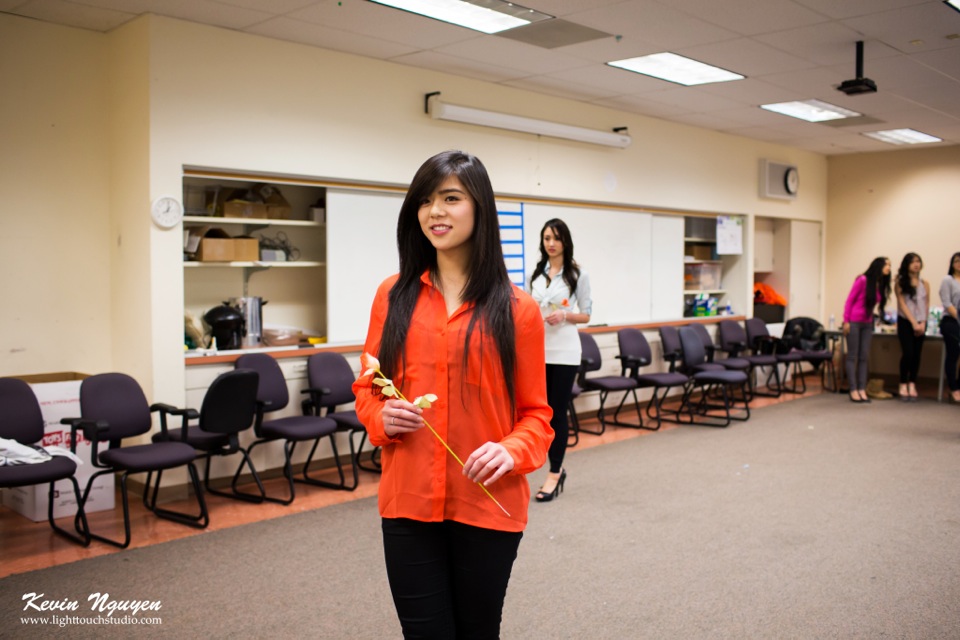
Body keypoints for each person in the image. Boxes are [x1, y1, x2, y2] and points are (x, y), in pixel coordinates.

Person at [351, 150, 554, 638]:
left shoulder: (517, 309)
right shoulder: (393, 294)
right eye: (425, 200)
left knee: (477, 632)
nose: (434, 211)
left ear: (479, 207)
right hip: (408, 501)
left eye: (450, 198)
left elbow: (537, 416)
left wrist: (510, 450)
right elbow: (367, 385)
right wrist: (382, 418)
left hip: (487, 504)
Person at [528, 218, 591, 502]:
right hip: (539, 350)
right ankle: (546, 463)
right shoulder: (537, 275)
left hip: (565, 351)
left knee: (557, 411)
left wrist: (564, 315)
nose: (550, 243)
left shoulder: (578, 275)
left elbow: (587, 314)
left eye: (555, 238)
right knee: (540, 411)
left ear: (565, 241)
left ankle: (555, 472)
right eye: (546, 238)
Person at [842, 256, 891, 403]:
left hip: (868, 323)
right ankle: (853, 389)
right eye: (887, 264)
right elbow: (849, 300)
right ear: (878, 266)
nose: (889, 267)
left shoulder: (879, 284)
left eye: (890, 265)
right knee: (852, 356)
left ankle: (862, 388)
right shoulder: (862, 280)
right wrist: (846, 321)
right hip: (854, 322)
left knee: (864, 357)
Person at [894, 252, 930, 401]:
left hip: (921, 323)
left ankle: (912, 383)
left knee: (916, 355)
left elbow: (926, 304)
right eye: (913, 262)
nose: (916, 264)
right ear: (906, 265)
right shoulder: (900, 282)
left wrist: (923, 322)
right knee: (908, 353)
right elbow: (902, 304)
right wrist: (914, 323)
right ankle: (903, 383)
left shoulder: (925, 283)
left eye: (918, 261)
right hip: (905, 322)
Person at [939, 252, 960, 404]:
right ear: (952, 264)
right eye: (957, 261)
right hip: (951, 321)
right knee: (953, 354)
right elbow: (947, 303)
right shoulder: (948, 280)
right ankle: (953, 388)